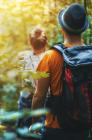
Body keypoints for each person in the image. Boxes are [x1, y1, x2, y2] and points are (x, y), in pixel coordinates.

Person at [32, 3, 91, 140]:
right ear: (83, 29)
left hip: (56, 129)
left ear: (62, 27)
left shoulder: (50, 56)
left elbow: (38, 96)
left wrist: (34, 125)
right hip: (84, 128)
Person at [17, 27, 48, 128]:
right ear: (45, 43)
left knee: (23, 127)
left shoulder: (23, 57)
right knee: (39, 128)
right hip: (43, 98)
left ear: (30, 43)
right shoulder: (49, 58)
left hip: (26, 96)